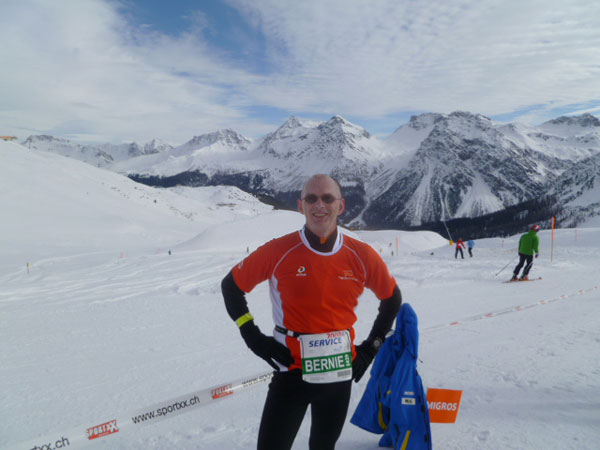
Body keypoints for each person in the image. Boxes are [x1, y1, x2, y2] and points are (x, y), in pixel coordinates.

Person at [221, 174, 402, 450]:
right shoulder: (279, 250)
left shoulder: (361, 254)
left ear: (341, 205)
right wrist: (253, 337)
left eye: (328, 198)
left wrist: (370, 349)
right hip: (291, 371)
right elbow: (231, 286)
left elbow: (392, 299)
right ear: (300, 205)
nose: (320, 205)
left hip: (338, 373)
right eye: (311, 198)